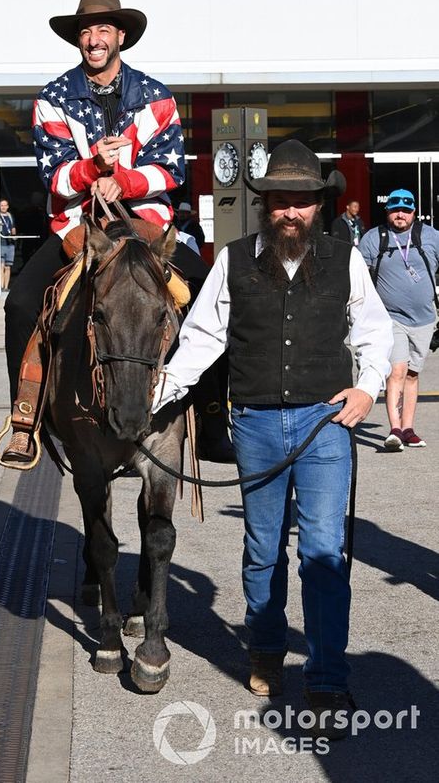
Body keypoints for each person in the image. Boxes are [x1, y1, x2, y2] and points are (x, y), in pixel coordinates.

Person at [152, 140, 392, 740]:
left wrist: (367, 389)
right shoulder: (234, 260)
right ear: (266, 206)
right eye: (281, 202)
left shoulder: (346, 259)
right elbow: (202, 337)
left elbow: (374, 331)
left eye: (302, 203)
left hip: (325, 423)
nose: (292, 213)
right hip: (255, 423)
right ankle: (263, 648)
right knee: (263, 548)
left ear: (319, 206)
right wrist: (160, 397)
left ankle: (328, 674)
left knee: (323, 551)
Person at [0, 0, 225, 465]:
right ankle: (26, 420)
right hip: (78, 231)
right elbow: (53, 176)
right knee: (20, 304)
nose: (93, 39)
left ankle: (212, 417)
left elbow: (172, 170)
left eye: (103, 29)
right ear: (77, 40)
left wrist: (121, 181)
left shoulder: (156, 97)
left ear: (121, 36)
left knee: (211, 297)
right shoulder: (52, 99)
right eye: (85, 31)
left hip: (146, 227)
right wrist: (89, 171)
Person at [359, 188, 439, 451]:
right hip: (391, 318)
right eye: (395, 209)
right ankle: (394, 430)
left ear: (414, 211)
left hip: (425, 319)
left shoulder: (431, 237)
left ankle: (408, 429)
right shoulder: (374, 239)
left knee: (413, 375)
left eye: (406, 209)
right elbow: (357, 275)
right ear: (387, 211)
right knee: (397, 372)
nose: (400, 214)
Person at [0, 198, 16, 292]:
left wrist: (14, 235)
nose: (3, 207)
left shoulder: (10, 216)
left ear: (7, 206)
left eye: (5, 205)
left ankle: (6, 287)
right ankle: (1, 286)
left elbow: (13, 228)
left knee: (8, 266)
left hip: (10, 243)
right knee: (1, 265)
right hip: (0, 242)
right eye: (1, 205)